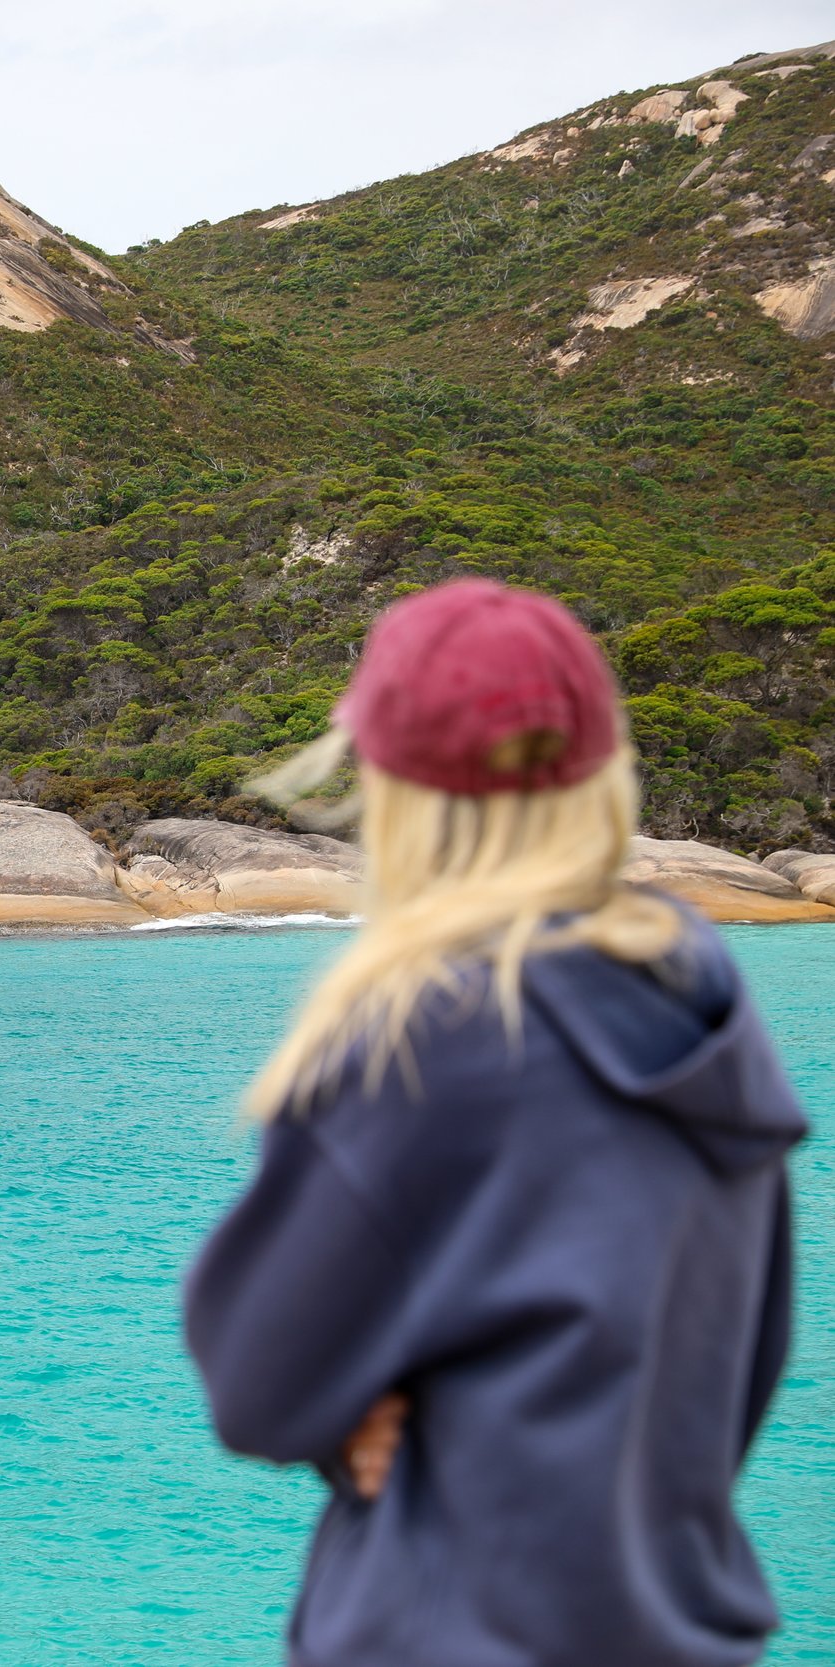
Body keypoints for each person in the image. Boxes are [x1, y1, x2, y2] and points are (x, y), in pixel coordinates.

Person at [184, 578, 805, 1666]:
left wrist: (357, 1402)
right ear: (599, 770)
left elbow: (257, 1380)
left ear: (389, 784)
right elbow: (728, 1369)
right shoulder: (701, 1000)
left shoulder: (426, 1031)